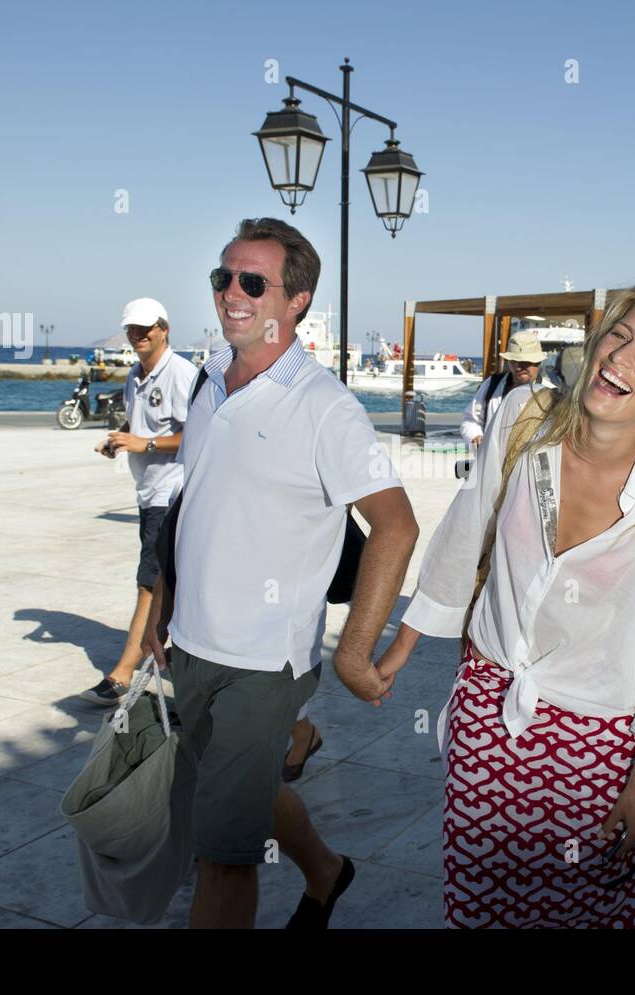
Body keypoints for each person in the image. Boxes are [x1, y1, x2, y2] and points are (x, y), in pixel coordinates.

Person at [375, 283, 635, 929]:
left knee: (584, 914)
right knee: (477, 911)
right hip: (487, 712)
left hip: (596, 742)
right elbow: (466, 531)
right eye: (619, 336)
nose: (620, 358)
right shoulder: (526, 419)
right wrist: (398, 650)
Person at [143, 217, 418, 929]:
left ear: (296, 301)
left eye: (252, 281)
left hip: (264, 662)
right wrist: (160, 606)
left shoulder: (325, 408)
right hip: (193, 645)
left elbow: (396, 524)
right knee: (240, 792)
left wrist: (355, 651)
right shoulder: (208, 382)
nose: (231, 293)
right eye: (223, 277)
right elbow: (192, 503)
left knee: (223, 854)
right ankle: (326, 871)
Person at [82, 298, 198, 706]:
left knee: (149, 582)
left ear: (164, 329)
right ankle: (181, 677)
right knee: (168, 585)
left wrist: (144, 443)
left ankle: (123, 672)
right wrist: (119, 439)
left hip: (172, 491)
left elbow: (200, 435)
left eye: (145, 328)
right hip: (148, 492)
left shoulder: (182, 374)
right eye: (132, 329)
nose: (138, 336)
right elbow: (141, 424)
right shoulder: (135, 375)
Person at [460, 331, 547, 451]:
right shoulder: (492, 385)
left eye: (524, 363)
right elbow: (470, 420)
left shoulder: (551, 394)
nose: (517, 367)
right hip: (491, 463)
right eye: (513, 361)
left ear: (538, 362)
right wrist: (475, 437)